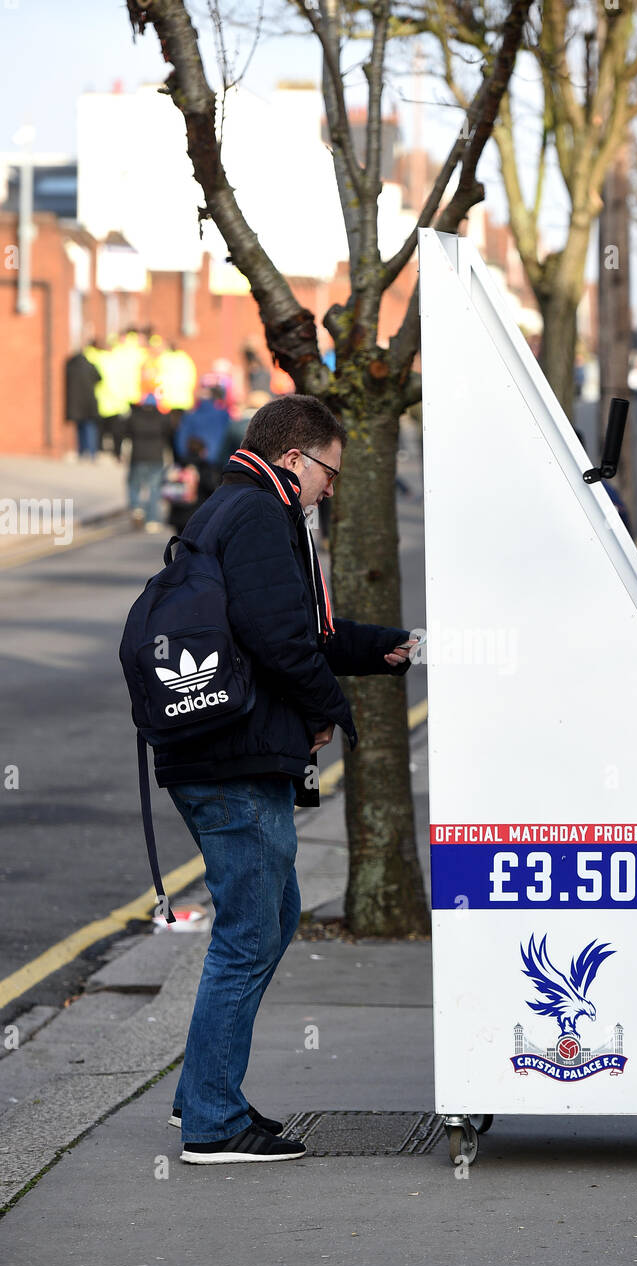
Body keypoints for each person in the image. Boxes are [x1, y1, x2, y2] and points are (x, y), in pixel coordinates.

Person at [154, 394, 418, 1164]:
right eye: (329, 473)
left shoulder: (230, 509)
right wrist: (333, 710)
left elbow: (299, 634)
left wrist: (389, 647)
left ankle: (203, 1091)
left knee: (271, 915)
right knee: (249, 930)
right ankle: (210, 1120)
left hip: (217, 751)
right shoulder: (261, 517)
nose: (332, 489)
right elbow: (280, 640)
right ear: (295, 459)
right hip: (233, 758)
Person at [125, 393, 174, 531]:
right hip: (156, 457)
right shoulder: (162, 418)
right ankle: (152, 520)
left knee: (134, 485)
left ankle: (137, 507)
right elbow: (169, 435)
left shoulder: (134, 417)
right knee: (154, 489)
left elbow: (124, 432)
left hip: (137, 456)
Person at [174, 384, 232, 470]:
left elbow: (182, 438)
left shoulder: (191, 416)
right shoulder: (222, 415)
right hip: (218, 460)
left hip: (196, 460)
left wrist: (184, 457)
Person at [64, 346, 101, 459]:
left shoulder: (70, 366)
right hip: (89, 403)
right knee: (90, 428)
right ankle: (92, 453)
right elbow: (99, 378)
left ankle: (81, 451)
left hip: (75, 404)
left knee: (80, 428)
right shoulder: (90, 366)